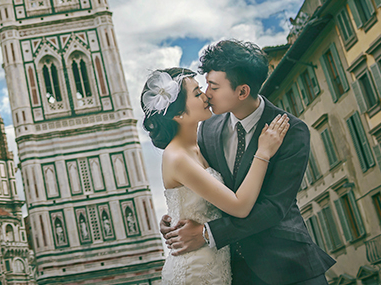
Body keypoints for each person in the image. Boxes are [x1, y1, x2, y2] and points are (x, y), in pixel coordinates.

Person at [159, 40, 336, 284]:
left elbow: (273, 208)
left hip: (285, 268)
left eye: (213, 86)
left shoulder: (291, 131)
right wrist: (175, 217)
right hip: (230, 271)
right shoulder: (208, 129)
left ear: (242, 91)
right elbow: (204, 188)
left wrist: (208, 233)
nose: (207, 93)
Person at [142, 66, 289, 284]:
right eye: (196, 93)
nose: (205, 95)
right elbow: (239, 206)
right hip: (196, 270)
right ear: (179, 114)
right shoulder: (178, 157)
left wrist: (171, 220)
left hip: (215, 262)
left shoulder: (197, 145)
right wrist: (263, 152)